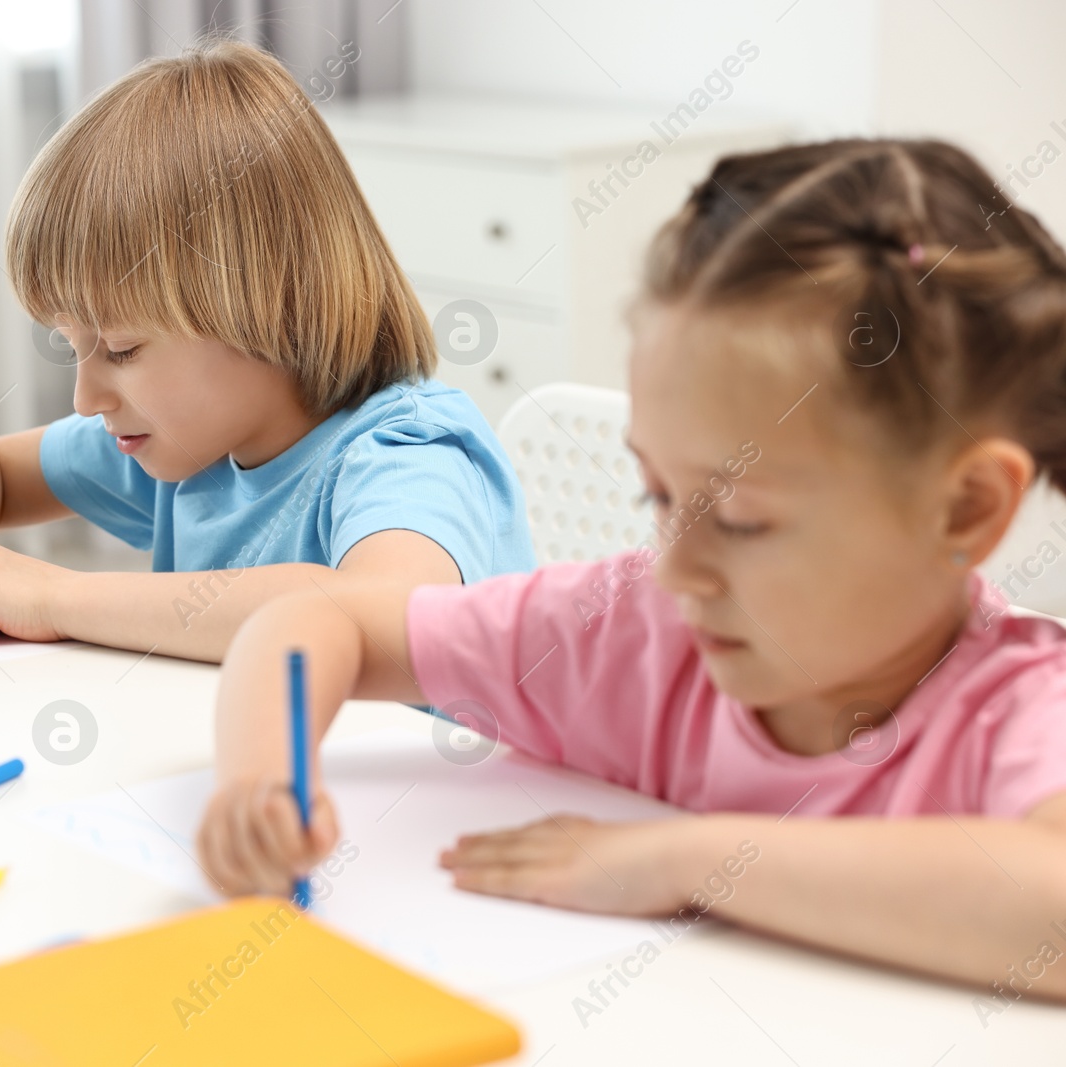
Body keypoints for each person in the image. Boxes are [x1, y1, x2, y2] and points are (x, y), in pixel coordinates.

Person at [197, 138, 1066, 1000]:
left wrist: (689, 860)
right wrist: (261, 781)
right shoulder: (628, 630)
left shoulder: (1024, 708)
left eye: (740, 518)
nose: (678, 566)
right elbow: (318, 620)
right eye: (658, 491)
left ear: (967, 508)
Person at [0, 40, 531, 662]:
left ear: (265, 302)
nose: (86, 398)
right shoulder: (194, 445)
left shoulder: (408, 453)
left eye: (122, 349)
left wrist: (61, 596)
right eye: (75, 349)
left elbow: (388, 611)